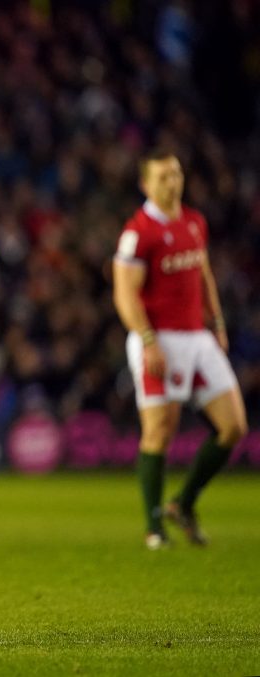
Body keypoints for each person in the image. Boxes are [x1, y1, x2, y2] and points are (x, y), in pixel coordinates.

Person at [113, 150, 248, 550]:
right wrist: (149, 341)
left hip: (197, 337)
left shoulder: (194, 221)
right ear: (146, 184)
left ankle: (183, 504)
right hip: (159, 338)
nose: (172, 182)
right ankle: (154, 527)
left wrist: (217, 321)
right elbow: (125, 293)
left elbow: (203, 273)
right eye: (163, 176)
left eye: (176, 173)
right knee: (160, 430)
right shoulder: (139, 231)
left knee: (233, 426)